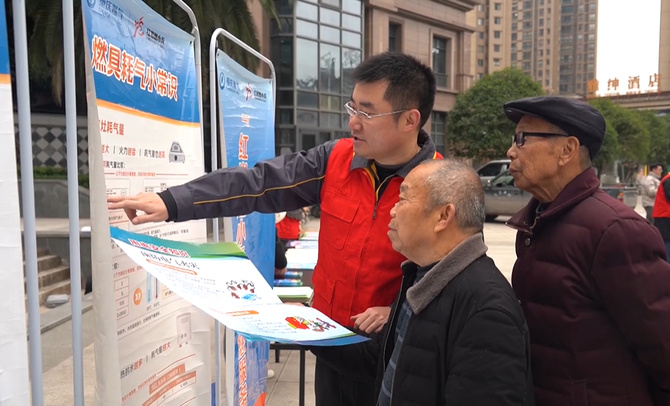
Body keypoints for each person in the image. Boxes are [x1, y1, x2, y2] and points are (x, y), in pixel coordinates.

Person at [107, 51, 441, 406]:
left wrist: (398, 310)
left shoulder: (440, 187)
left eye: (367, 113)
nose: (353, 123)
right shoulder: (335, 160)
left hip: (395, 354)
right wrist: (173, 202)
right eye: (352, 108)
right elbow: (258, 183)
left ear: (410, 120)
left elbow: (453, 278)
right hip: (331, 343)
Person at [502, 95, 670, 406]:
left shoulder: (615, 230)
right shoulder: (538, 221)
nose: (511, 151)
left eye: (522, 139)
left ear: (567, 150)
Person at [313, 160, 533, 405]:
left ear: (443, 216)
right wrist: (304, 328)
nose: (392, 211)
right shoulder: (422, 275)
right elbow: (380, 356)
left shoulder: (486, 311)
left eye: (403, 199)